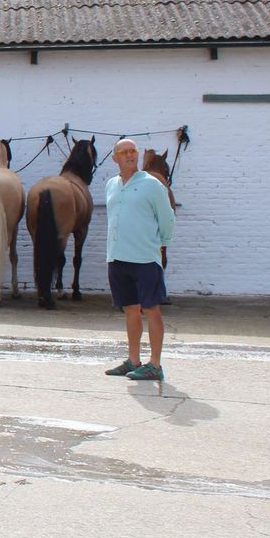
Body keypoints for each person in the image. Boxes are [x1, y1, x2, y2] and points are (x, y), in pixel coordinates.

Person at [103, 138, 176, 381]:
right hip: (117, 255)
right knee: (130, 309)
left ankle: (155, 364)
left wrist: (161, 243)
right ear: (115, 158)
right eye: (123, 152)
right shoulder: (111, 185)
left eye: (133, 151)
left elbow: (167, 217)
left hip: (144, 257)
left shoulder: (152, 185)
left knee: (151, 309)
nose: (129, 155)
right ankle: (133, 360)